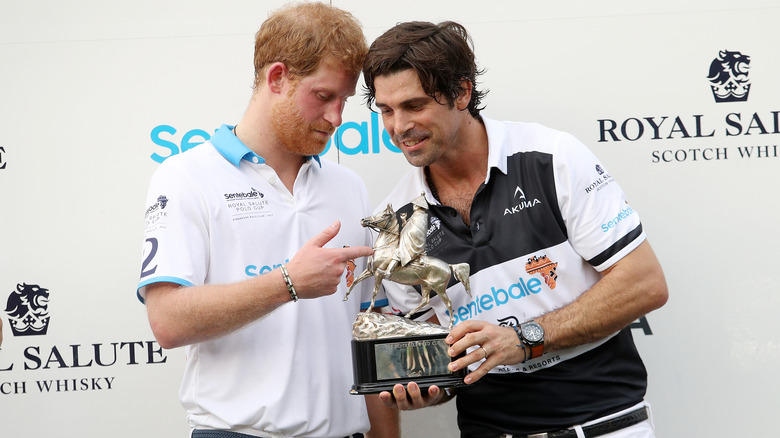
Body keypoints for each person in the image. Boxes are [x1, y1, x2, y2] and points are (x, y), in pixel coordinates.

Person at [362, 21, 669, 437]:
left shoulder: (551, 158)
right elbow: (442, 365)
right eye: (386, 110)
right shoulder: (395, 222)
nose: (398, 126)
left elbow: (644, 283)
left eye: (414, 105)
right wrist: (428, 388)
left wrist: (526, 338)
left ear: (462, 93)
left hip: (604, 424)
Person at [137, 3, 398, 437]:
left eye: (344, 101)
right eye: (323, 96)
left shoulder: (348, 186)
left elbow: (367, 333)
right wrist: (288, 283)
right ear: (277, 78)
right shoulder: (186, 176)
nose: (336, 117)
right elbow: (167, 321)